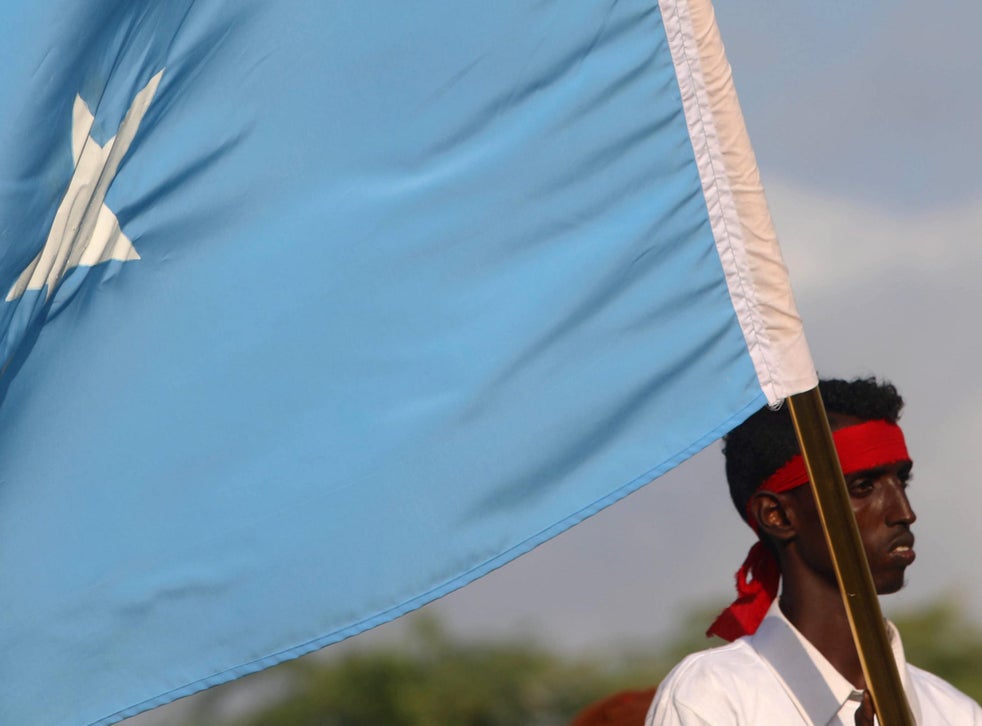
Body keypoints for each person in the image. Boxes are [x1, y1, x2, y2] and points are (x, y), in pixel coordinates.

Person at [645, 377, 982, 725]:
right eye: (863, 486)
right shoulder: (713, 697)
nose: (903, 512)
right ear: (777, 515)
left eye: (902, 481)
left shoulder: (956, 713)